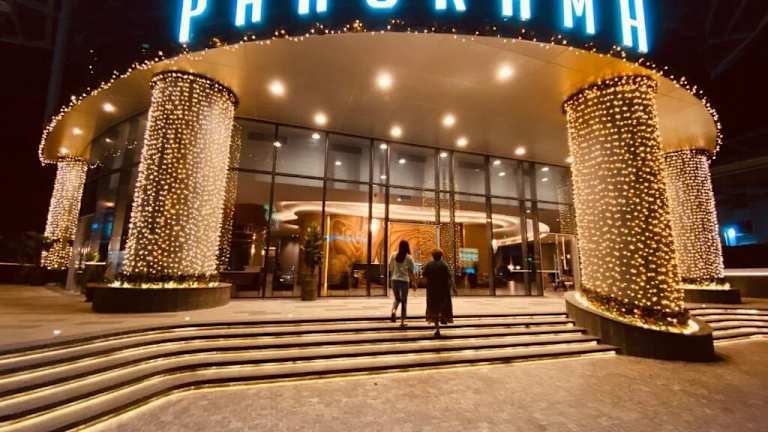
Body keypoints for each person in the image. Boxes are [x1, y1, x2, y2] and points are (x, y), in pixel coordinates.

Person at [423, 249, 456, 337]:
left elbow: (424, 276)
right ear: (441, 256)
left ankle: (437, 329)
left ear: (432, 256)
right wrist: (454, 287)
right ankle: (443, 317)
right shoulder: (444, 265)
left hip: (432, 290)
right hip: (443, 290)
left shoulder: (429, 265)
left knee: (434, 309)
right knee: (443, 306)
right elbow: (449, 277)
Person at [389, 240, 415, 328]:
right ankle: (402, 321)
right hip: (404, 281)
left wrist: (393, 275)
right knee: (404, 301)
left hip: (394, 280)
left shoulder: (393, 255)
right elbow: (411, 271)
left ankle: (393, 311)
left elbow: (390, 268)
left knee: (397, 298)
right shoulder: (409, 258)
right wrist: (414, 282)